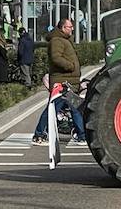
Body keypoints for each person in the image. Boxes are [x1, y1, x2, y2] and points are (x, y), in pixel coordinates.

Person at [32, 17, 86, 145]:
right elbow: (56, 58)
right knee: (54, 109)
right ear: (62, 28)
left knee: (75, 108)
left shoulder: (64, 40)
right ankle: (39, 134)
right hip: (62, 83)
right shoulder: (57, 41)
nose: (72, 29)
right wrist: (70, 66)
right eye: (69, 27)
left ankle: (81, 135)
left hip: (69, 82)